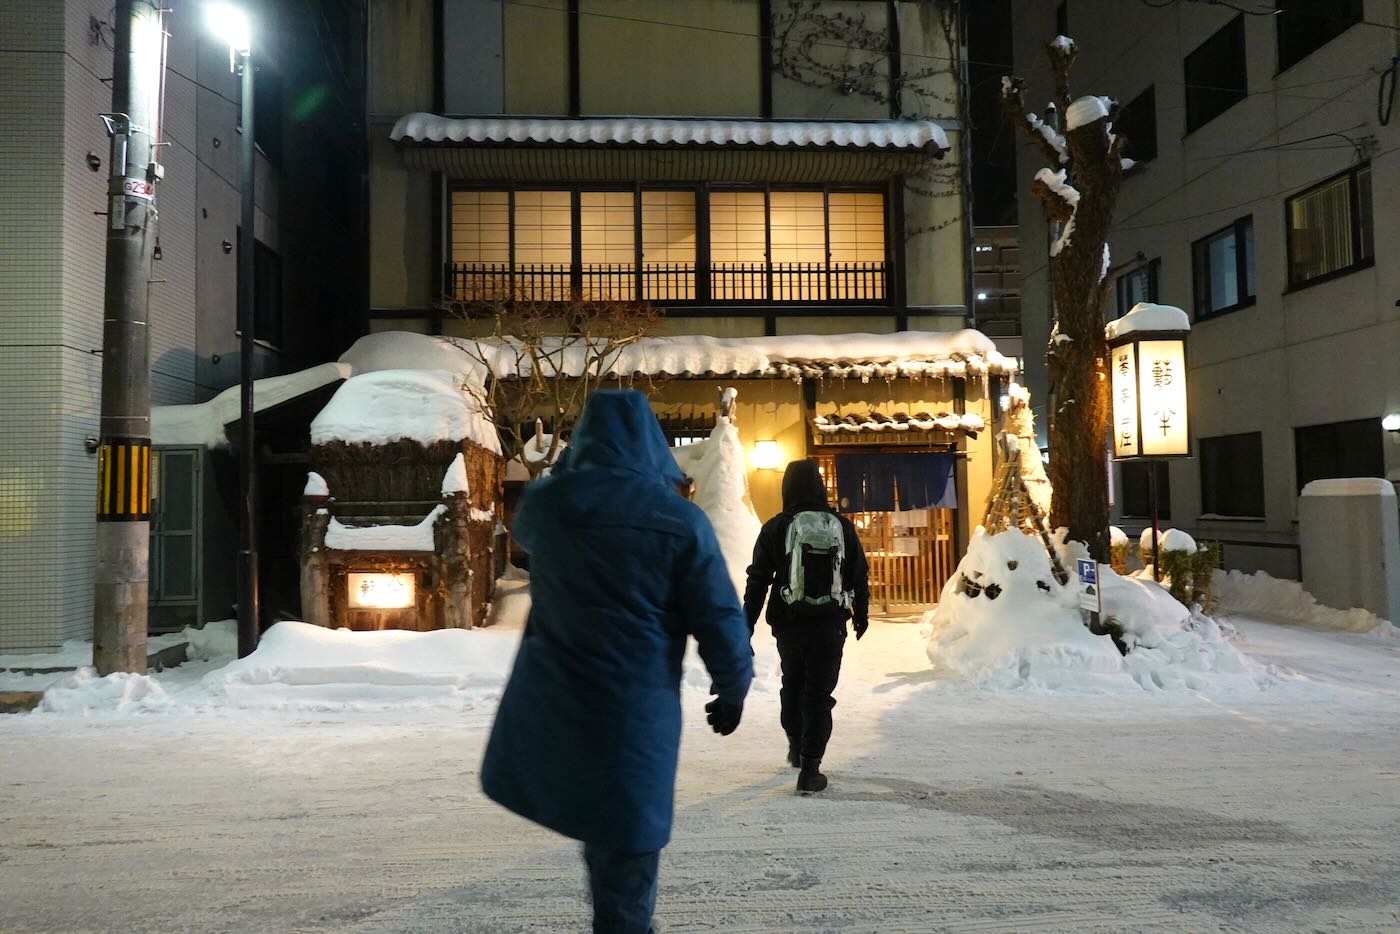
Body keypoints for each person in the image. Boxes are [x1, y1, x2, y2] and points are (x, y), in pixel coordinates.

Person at [482, 389, 753, 934]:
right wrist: (733, 687)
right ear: (652, 445)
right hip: (637, 707)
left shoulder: (550, 507)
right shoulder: (680, 522)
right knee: (627, 839)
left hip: (558, 700)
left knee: (595, 818)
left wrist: (567, 475)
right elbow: (719, 616)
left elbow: (525, 531)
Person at [743, 459, 869, 794]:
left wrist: (747, 625)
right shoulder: (841, 526)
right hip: (830, 625)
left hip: (789, 624)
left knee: (793, 685)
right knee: (818, 694)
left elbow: (757, 581)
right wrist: (861, 613)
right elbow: (858, 574)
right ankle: (811, 769)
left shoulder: (775, 527)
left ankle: (796, 744)